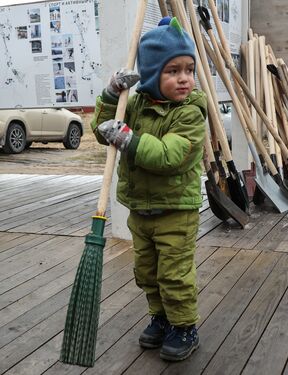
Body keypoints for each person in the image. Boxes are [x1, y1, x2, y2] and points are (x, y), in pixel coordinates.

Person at [90, 17, 206, 362]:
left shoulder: (190, 112)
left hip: (175, 212)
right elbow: (101, 129)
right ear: (154, 74)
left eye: (189, 69)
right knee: (147, 272)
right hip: (140, 209)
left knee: (175, 274)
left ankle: (184, 326)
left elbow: (170, 155)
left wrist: (128, 138)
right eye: (173, 71)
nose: (184, 78)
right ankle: (160, 317)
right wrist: (112, 94)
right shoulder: (136, 103)